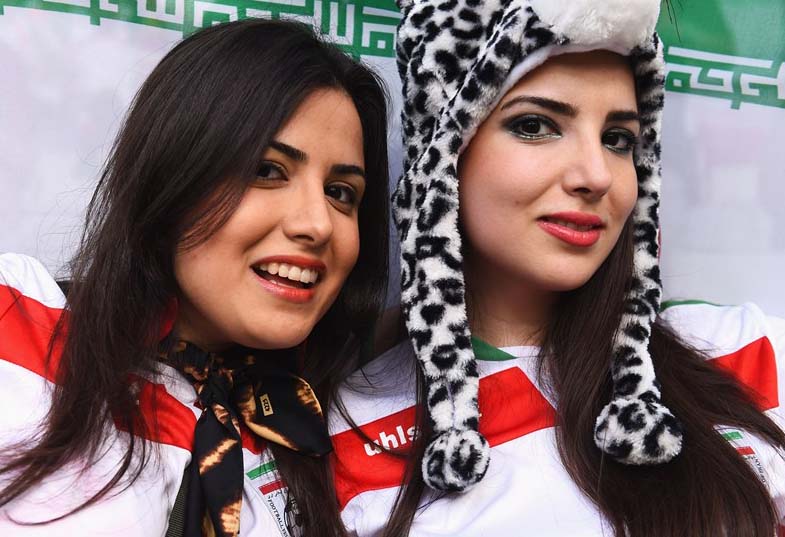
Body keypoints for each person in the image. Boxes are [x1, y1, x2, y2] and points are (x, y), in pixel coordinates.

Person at [329, 0, 785, 535]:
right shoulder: (348, 430)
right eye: (535, 125)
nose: (597, 175)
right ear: (443, 152)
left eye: (618, 140)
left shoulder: (749, 355)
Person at [0, 18, 389, 537]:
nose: (317, 224)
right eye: (268, 170)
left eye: (342, 192)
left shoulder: (327, 440)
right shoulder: (17, 318)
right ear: (175, 172)